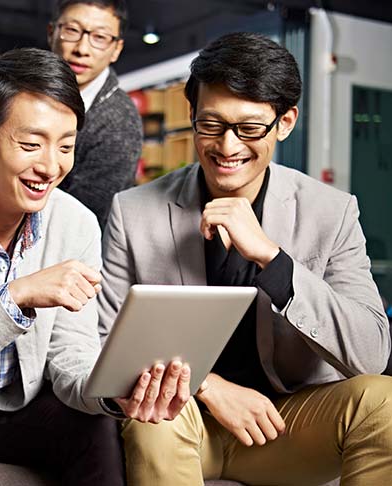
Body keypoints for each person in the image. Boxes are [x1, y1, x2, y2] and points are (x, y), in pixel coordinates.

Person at [0, 47, 192, 486]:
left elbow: (70, 353)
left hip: (20, 408)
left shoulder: (76, 223)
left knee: (96, 428)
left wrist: (112, 393)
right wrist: (15, 298)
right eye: (30, 144)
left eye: (66, 147)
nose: (50, 166)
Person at [99, 32, 392, 486]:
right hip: (183, 420)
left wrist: (273, 260)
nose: (227, 147)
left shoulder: (331, 211)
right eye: (211, 125)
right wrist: (209, 387)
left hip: (290, 423)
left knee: (386, 401)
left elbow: (371, 353)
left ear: (286, 122)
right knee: (153, 415)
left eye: (250, 129)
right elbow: (104, 346)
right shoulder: (133, 212)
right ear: (192, 114)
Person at [48, 0, 142, 229]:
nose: (82, 49)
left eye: (100, 37)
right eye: (72, 30)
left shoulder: (119, 121)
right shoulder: (24, 95)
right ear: (52, 32)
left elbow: (82, 222)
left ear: (116, 50)